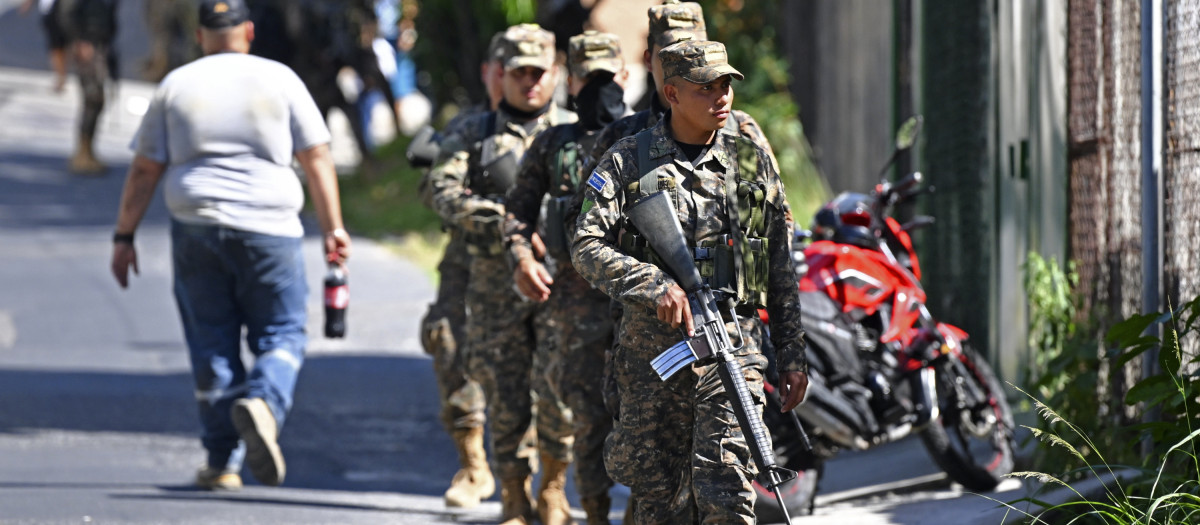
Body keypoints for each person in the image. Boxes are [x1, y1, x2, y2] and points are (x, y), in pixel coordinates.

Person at [108, 0, 351, 491]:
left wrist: (124, 235)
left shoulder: (176, 85)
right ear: (249, 32)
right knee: (282, 333)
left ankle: (222, 462)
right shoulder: (279, 79)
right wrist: (333, 228)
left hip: (195, 227)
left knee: (211, 342)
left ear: (200, 36)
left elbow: (144, 169)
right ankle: (263, 402)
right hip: (270, 228)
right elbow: (317, 155)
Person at [570, 40, 809, 523]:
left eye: (726, 86)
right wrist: (653, 284)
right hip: (652, 360)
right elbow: (584, 245)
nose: (721, 97)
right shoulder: (628, 161)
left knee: (726, 494)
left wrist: (791, 353)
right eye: (706, 88)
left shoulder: (749, 163)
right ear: (672, 92)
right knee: (659, 501)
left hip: (733, 350)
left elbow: (777, 267)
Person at [427, 23, 575, 525]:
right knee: (507, 395)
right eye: (520, 73)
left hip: (560, 285)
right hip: (493, 286)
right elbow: (440, 191)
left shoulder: (576, 132)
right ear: (501, 75)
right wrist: (502, 219)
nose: (530, 82)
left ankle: (553, 490)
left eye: (539, 72)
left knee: (559, 393)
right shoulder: (474, 132)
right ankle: (513, 493)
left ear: (555, 74)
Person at [503, 30, 628, 525]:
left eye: (606, 78)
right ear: (570, 81)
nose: (598, 90)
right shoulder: (553, 143)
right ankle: (591, 510)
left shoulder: (645, 136)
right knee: (578, 417)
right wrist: (522, 257)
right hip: (572, 309)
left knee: (645, 421)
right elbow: (517, 212)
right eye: (587, 79)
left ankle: (642, 510)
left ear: (622, 76)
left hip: (640, 309)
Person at [409, 30, 506, 512]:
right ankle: (473, 464)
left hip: (534, 265)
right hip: (467, 261)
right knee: (449, 341)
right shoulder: (465, 127)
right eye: (503, 68)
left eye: (530, 70)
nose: (514, 79)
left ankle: (532, 478)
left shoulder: (564, 126)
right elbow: (429, 187)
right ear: (490, 73)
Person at [57, 0, 119, 175]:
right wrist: (79, 40)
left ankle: (88, 150)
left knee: (98, 100)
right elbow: (67, 13)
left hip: (102, 43)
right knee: (93, 98)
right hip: (87, 44)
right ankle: (82, 153)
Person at [19, 0, 68, 92]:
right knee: (56, 47)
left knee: (58, 47)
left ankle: (61, 77)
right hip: (50, 12)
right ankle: (60, 77)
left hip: (60, 11)